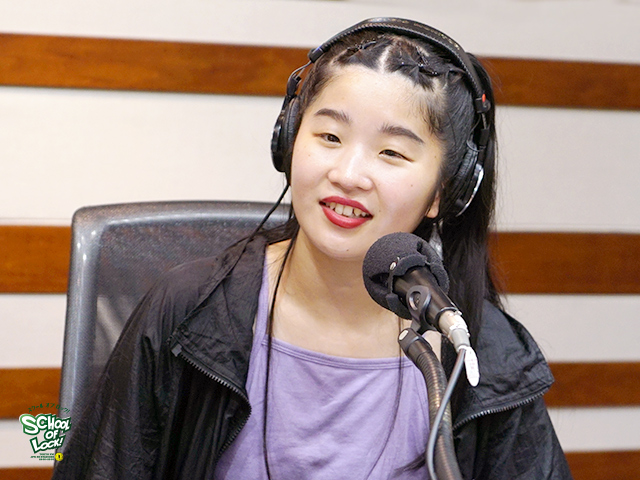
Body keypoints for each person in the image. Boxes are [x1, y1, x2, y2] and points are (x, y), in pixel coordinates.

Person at [53, 17, 572, 479]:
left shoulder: (480, 352)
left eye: (391, 152)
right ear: (288, 142)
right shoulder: (189, 312)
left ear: (445, 191)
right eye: (329, 137)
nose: (348, 174)